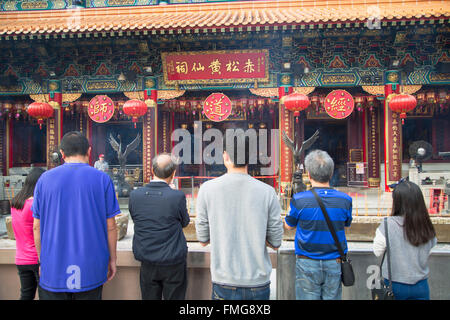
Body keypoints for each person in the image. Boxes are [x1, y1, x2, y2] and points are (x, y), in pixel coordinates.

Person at [32, 131, 120, 300]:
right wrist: (113, 260)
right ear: (89, 151)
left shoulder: (44, 180)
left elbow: (36, 226)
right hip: (91, 267)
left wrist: (43, 260)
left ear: (62, 153)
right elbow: (111, 226)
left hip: (53, 267)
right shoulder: (102, 179)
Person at [195, 131, 283, 300]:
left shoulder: (207, 189)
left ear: (225, 156)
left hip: (223, 280)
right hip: (258, 282)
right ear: (250, 158)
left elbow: (203, 239)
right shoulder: (268, 192)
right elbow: (276, 243)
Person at [284, 149, 352, 300]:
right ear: (331, 173)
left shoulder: (299, 200)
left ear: (308, 174)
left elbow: (288, 225)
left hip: (307, 260)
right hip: (335, 260)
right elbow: (346, 226)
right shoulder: (345, 200)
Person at [129, 153, 190, 300]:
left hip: (147, 259)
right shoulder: (176, 196)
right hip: (173, 260)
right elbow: (185, 222)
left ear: (152, 170)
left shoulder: (135, 195)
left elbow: (136, 219)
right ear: (173, 173)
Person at [373, 180, 437, 300]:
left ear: (397, 201)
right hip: (421, 285)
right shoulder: (426, 224)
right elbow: (430, 247)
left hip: (394, 286)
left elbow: (377, 251)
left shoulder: (388, 224)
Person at [11, 167, 45, 300]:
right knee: (45, 295)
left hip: (21, 258)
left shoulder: (16, 203)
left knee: (26, 294)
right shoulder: (34, 204)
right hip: (37, 259)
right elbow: (39, 230)